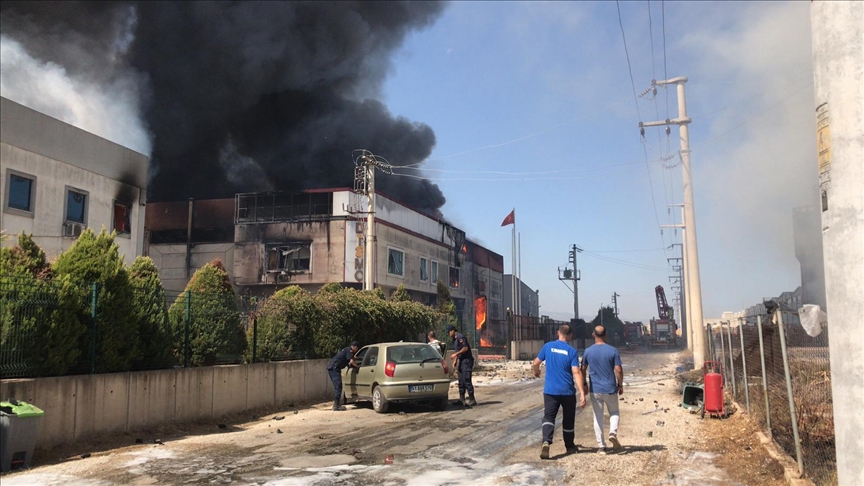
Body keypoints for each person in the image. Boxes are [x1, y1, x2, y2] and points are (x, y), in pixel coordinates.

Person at [533, 324, 587, 460]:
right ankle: (569, 446)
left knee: (549, 417)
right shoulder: (571, 351)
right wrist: (582, 392)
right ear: (570, 336)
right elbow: (576, 371)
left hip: (550, 391)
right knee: (568, 419)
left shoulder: (548, 346)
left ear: (558, 333)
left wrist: (536, 371)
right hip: (567, 391)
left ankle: (546, 441)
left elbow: (535, 363)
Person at [580, 326, 624, 454]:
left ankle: (602, 447)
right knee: (614, 412)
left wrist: (584, 384)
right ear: (606, 335)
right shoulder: (613, 350)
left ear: (593, 335)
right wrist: (620, 385)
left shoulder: (588, 351)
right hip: (610, 388)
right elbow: (619, 370)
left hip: (596, 389)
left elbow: (582, 369)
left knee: (597, 416)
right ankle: (612, 433)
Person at [326, 341, 360, 411]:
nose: (356, 350)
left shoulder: (348, 350)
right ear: (355, 347)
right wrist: (357, 367)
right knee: (338, 386)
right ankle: (336, 405)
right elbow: (351, 361)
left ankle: (336, 404)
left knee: (338, 386)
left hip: (333, 368)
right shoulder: (349, 351)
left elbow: (351, 358)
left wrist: (356, 358)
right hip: (334, 368)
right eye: (357, 348)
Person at [447, 325, 476, 406]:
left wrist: (455, 354)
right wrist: (455, 360)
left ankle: (472, 399)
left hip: (467, 360)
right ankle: (461, 399)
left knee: (466, 379)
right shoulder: (454, 339)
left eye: (449, 331)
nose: (449, 333)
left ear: (453, 331)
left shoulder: (460, 337)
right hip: (461, 360)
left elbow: (465, 348)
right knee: (461, 380)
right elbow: (458, 350)